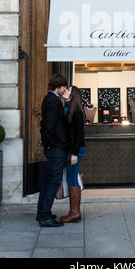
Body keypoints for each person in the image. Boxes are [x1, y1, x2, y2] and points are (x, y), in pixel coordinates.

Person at [37, 73, 68, 227]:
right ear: (60, 87)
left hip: (51, 147)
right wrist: (56, 144)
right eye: (64, 87)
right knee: (53, 182)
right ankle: (46, 216)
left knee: (47, 181)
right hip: (55, 148)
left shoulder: (47, 98)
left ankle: (41, 213)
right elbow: (49, 125)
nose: (65, 90)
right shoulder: (54, 101)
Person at [60, 85, 86, 223]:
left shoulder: (77, 111)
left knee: (72, 179)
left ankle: (75, 213)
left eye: (68, 90)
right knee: (71, 177)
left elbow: (79, 134)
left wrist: (74, 154)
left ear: (73, 95)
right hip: (73, 149)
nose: (65, 91)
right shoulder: (69, 109)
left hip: (77, 150)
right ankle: (73, 212)